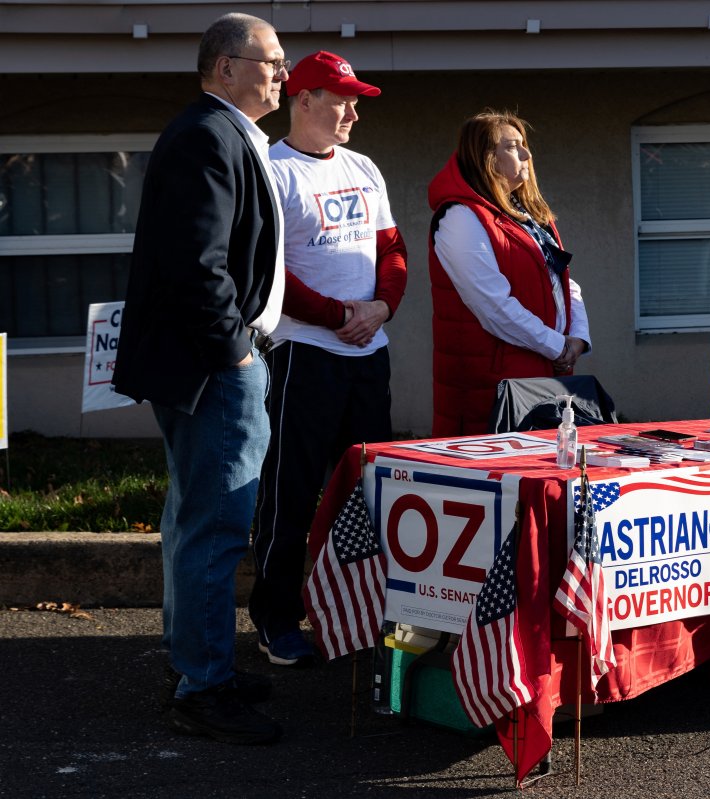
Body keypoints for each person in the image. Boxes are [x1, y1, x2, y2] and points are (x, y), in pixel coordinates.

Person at [112, 13, 287, 743]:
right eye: (270, 60)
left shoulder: (219, 135)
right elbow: (197, 263)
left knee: (194, 519)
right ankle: (203, 685)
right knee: (216, 525)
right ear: (224, 68)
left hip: (210, 362)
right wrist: (236, 351)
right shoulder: (208, 138)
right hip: (215, 367)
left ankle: (196, 663)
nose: (282, 72)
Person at [250, 51, 407, 666]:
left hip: (369, 353)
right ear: (304, 99)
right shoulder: (272, 167)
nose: (352, 113)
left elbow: (391, 249)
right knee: (291, 492)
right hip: (303, 355)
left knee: (371, 493)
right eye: (341, 100)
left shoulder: (364, 167)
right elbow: (269, 270)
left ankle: (356, 611)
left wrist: (381, 309)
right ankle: (276, 619)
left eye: (355, 101)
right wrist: (339, 315)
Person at [427, 110, 591, 437]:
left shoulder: (528, 216)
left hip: (540, 378)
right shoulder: (460, 218)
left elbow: (563, 281)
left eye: (523, 145)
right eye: (513, 146)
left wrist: (579, 338)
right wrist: (558, 346)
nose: (527, 155)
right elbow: (494, 308)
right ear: (486, 158)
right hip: (492, 390)